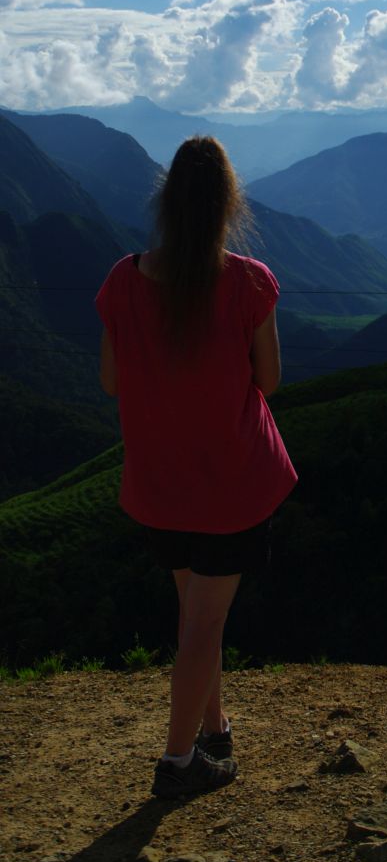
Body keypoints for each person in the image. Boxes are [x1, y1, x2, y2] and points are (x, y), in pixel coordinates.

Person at [95, 135, 297, 799]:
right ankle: (179, 763)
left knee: (195, 616)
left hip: (159, 483)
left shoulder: (123, 280)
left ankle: (215, 731)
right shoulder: (249, 282)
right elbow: (269, 380)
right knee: (204, 623)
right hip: (232, 485)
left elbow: (111, 382)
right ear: (227, 204)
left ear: (167, 201)